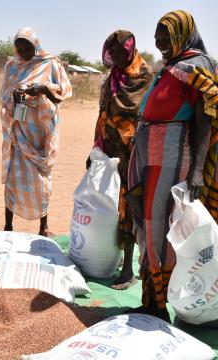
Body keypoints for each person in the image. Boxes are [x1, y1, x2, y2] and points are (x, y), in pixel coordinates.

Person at [127, 10, 214, 321]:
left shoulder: (196, 66)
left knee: (162, 229)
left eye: (165, 35)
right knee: (148, 224)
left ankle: (162, 306)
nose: (158, 41)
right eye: (156, 36)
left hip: (171, 155)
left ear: (183, 34)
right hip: (150, 152)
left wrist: (196, 172)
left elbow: (205, 120)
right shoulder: (172, 66)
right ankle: (152, 300)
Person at [90, 30, 153, 290]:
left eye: (120, 51)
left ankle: (128, 269)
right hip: (111, 150)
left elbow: (141, 114)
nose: (115, 56)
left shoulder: (144, 76)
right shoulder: (112, 77)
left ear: (130, 50)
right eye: (112, 51)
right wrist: (96, 149)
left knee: (128, 206)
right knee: (109, 206)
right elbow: (103, 113)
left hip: (134, 153)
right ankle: (110, 258)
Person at [0, 27, 72, 237]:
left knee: (42, 180)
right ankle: (8, 226)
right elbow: (4, 96)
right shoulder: (11, 66)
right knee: (14, 176)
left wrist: (42, 89)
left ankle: (43, 226)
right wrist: (16, 95)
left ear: (36, 45)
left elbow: (62, 95)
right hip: (18, 128)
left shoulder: (50, 64)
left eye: (27, 47)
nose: (23, 51)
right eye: (19, 48)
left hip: (41, 132)